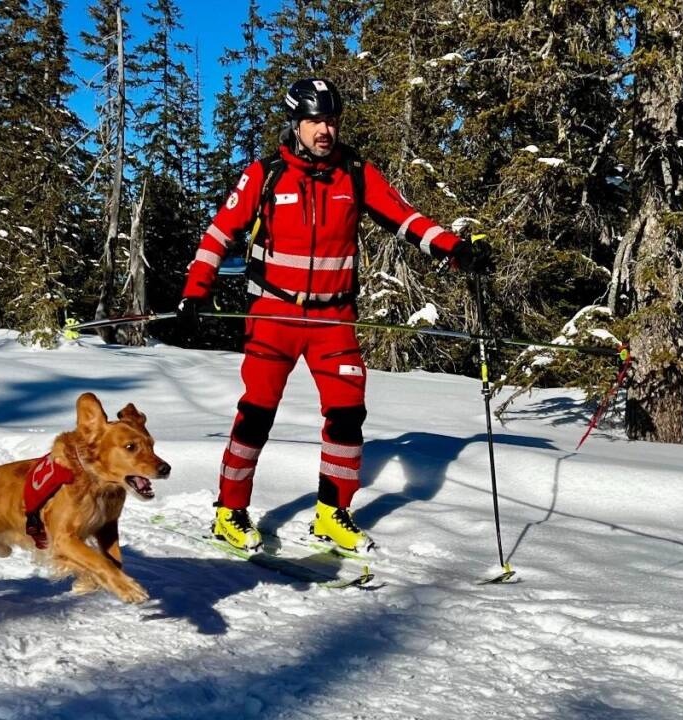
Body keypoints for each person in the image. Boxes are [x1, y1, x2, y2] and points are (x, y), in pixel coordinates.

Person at [176, 78, 493, 552]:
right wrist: (194, 292)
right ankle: (230, 510)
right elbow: (220, 233)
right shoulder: (265, 175)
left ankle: (331, 511)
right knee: (256, 415)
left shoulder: (356, 174)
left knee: (347, 415)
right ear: (296, 124)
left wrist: (453, 249)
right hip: (274, 313)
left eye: (331, 120)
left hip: (334, 319)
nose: (325, 130)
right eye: (314, 121)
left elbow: (406, 218)